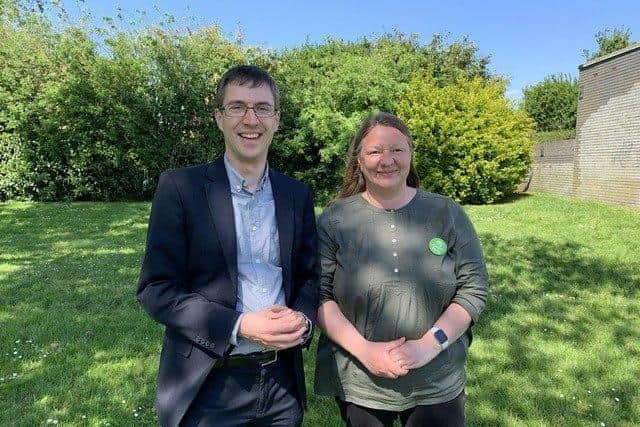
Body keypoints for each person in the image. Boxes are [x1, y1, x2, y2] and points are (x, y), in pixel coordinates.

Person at [137, 65, 318, 427]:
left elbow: (310, 278)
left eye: (262, 108)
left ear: (277, 119)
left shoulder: (296, 195)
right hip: (209, 384)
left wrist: (303, 319)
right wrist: (240, 325)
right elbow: (156, 289)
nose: (250, 119)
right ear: (219, 118)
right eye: (237, 107)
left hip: (282, 385)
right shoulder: (181, 188)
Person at [314, 112, 488, 427]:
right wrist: (366, 352)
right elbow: (318, 295)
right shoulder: (335, 220)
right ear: (358, 160)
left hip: (437, 380)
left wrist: (427, 345)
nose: (387, 160)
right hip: (361, 383)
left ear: (410, 155)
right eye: (375, 151)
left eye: (397, 150)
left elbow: (473, 289)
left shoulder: (446, 213)